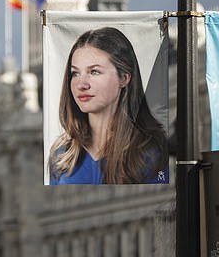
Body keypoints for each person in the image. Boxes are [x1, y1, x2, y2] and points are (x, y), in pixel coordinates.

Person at [49, 27, 168, 184]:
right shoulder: (62, 155)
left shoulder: (151, 153)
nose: (81, 84)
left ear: (124, 78)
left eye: (94, 72)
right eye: (75, 73)